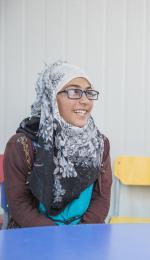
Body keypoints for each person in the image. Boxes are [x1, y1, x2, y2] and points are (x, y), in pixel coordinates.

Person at [3, 61, 112, 228]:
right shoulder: (22, 145)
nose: (85, 100)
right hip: (36, 237)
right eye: (74, 91)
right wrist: (56, 237)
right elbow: (20, 204)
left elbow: (101, 199)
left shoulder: (99, 144)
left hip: (85, 236)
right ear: (51, 98)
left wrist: (79, 235)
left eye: (89, 92)